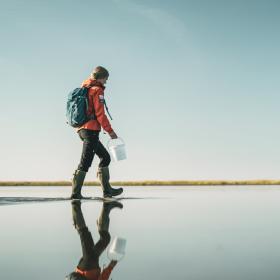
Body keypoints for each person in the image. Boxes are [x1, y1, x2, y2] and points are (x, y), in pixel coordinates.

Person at [71, 66, 123, 199]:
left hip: (82, 130)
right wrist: (110, 132)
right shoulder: (97, 90)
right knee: (85, 162)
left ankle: (107, 191)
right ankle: (75, 195)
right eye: (106, 78)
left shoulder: (85, 88)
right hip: (91, 131)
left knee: (105, 157)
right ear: (100, 77)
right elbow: (100, 115)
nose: (106, 81)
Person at [66, 200, 123, 280]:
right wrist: (111, 266)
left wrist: (111, 266)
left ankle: (75, 204)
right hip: (91, 265)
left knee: (84, 234)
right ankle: (107, 207)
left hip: (88, 266)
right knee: (105, 239)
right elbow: (103, 277)